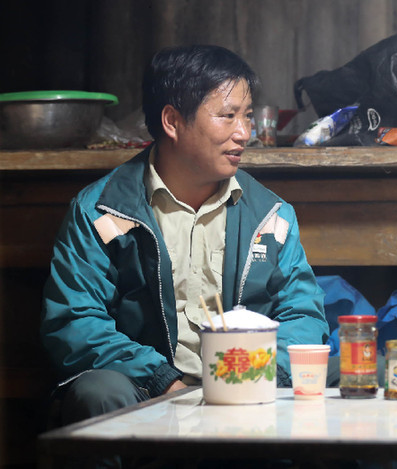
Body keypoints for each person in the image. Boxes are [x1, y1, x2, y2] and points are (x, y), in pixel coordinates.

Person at [41, 44, 331, 427]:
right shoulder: (101, 211)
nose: (244, 133)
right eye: (227, 116)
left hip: (248, 386)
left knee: (365, 376)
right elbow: (75, 321)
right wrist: (163, 381)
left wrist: (256, 376)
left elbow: (303, 313)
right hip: (147, 389)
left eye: (247, 116)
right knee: (99, 391)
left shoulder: (270, 216)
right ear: (172, 121)